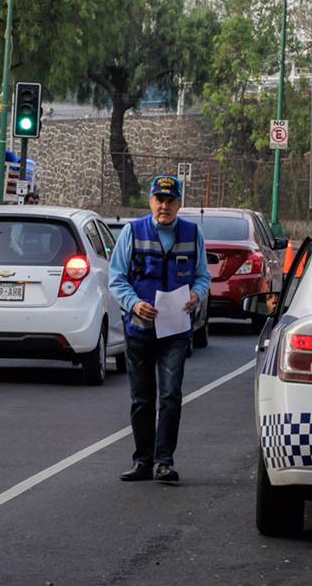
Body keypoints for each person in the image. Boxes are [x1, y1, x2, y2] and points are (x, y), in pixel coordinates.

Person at [109, 175, 211, 483]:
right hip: (140, 328)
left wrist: (197, 294)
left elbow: (202, 276)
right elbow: (116, 278)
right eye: (158, 199)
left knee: (170, 395)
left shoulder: (193, 234)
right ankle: (143, 460)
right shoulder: (132, 232)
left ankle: (164, 461)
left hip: (176, 331)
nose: (163, 206)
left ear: (179, 204)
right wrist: (134, 303)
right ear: (150, 201)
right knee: (142, 398)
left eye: (170, 200)